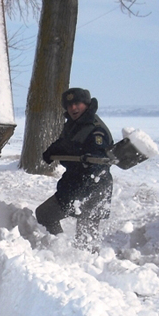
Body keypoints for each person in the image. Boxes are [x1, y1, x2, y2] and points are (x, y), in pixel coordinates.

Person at [35, 88, 114, 246]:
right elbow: (64, 143)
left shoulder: (96, 130)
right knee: (45, 214)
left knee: (85, 239)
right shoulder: (73, 125)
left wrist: (82, 156)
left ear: (86, 104)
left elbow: (98, 164)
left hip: (94, 189)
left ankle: (88, 265)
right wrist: (52, 151)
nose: (73, 108)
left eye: (77, 104)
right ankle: (60, 247)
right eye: (69, 105)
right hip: (74, 185)